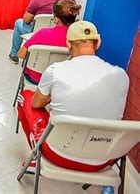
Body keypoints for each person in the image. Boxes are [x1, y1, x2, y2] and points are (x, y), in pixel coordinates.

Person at [17, 21, 129, 173]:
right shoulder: (121, 75)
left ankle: (36, 158)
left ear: (68, 44)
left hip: (58, 154)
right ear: (98, 43)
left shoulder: (55, 70)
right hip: (103, 159)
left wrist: (53, 96)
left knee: (26, 96)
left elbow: (37, 104)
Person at [8, 0, 74, 64]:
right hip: (62, 34)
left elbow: (26, 20)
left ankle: (14, 54)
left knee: (19, 22)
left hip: (38, 32)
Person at [18, 0, 81, 84]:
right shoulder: (77, 37)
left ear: (56, 19)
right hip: (61, 80)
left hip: (36, 78)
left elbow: (21, 55)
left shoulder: (42, 33)